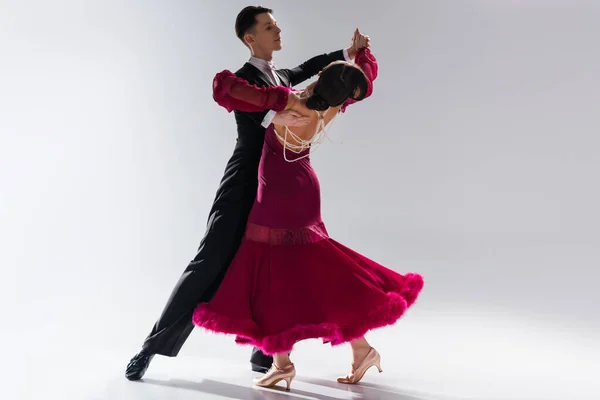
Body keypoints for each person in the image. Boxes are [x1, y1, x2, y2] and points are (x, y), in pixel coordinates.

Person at [125, 5, 370, 380]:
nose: (277, 30)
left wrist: (347, 54)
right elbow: (234, 95)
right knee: (209, 262)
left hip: (279, 187)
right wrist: (280, 107)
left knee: (272, 267)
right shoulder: (244, 78)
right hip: (244, 184)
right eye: (269, 27)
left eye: (276, 24)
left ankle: (267, 354)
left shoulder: (283, 76)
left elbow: (314, 67)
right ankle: (151, 347)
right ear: (249, 38)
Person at [192, 43, 424, 392]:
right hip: (305, 190)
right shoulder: (333, 105)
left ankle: (282, 364)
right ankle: (360, 350)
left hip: (276, 194)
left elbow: (227, 89)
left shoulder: (290, 102)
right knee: (318, 269)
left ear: (319, 78)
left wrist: (270, 96)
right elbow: (364, 80)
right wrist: (358, 56)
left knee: (272, 274)